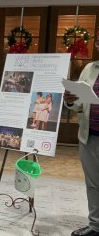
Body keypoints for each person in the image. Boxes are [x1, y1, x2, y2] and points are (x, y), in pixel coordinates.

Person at [65, 30, 99, 236]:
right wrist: (72, 99)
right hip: (90, 137)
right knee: (93, 184)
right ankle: (95, 226)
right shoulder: (90, 68)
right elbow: (79, 105)